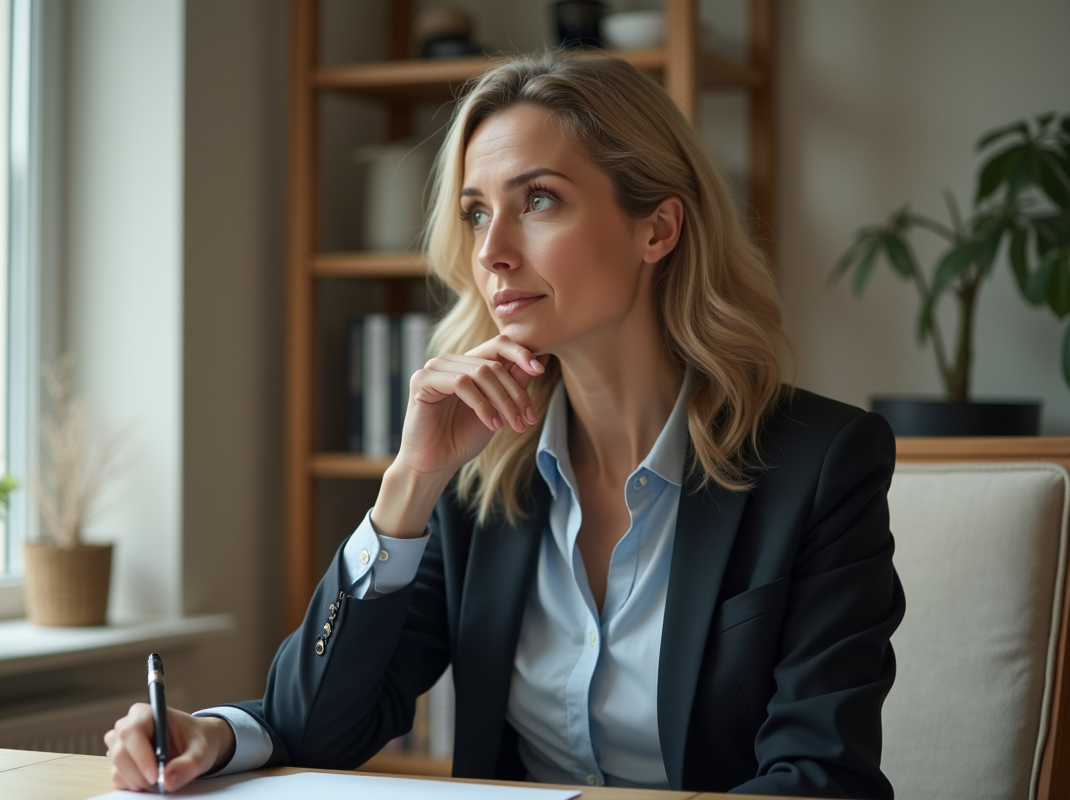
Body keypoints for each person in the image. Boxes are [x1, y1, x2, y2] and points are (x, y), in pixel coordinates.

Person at [105, 51, 905, 797]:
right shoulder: (479, 473)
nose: (491, 251)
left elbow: (820, 779)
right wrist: (410, 483)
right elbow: (320, 730)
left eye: (540, 200)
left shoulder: (821, 464)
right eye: (476, 212)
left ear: (656, 228)